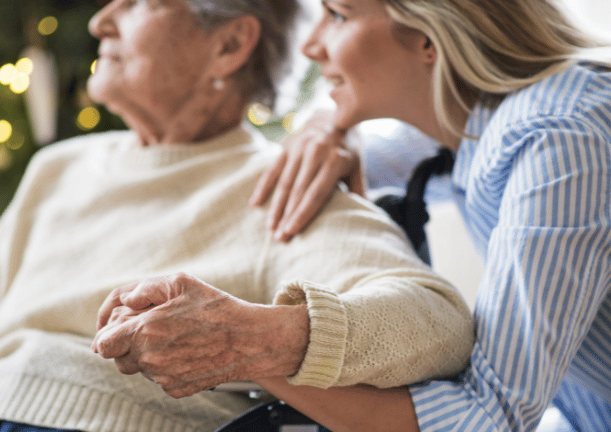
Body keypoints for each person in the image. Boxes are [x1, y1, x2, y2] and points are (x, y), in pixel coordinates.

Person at [0, 0, 475, 430]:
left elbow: (437, 321)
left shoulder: (279, 184)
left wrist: (256, 338)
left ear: (229, 45)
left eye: (139, 2)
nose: (100, 21)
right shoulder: (58, 168)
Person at [243, 0, 611, 430]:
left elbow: (489, 416)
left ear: (427, 38)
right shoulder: (474, 121)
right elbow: (359, 156)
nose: (310, 45)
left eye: (338, 14)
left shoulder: (556, 140)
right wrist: (332, 125)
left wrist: (244, 350)